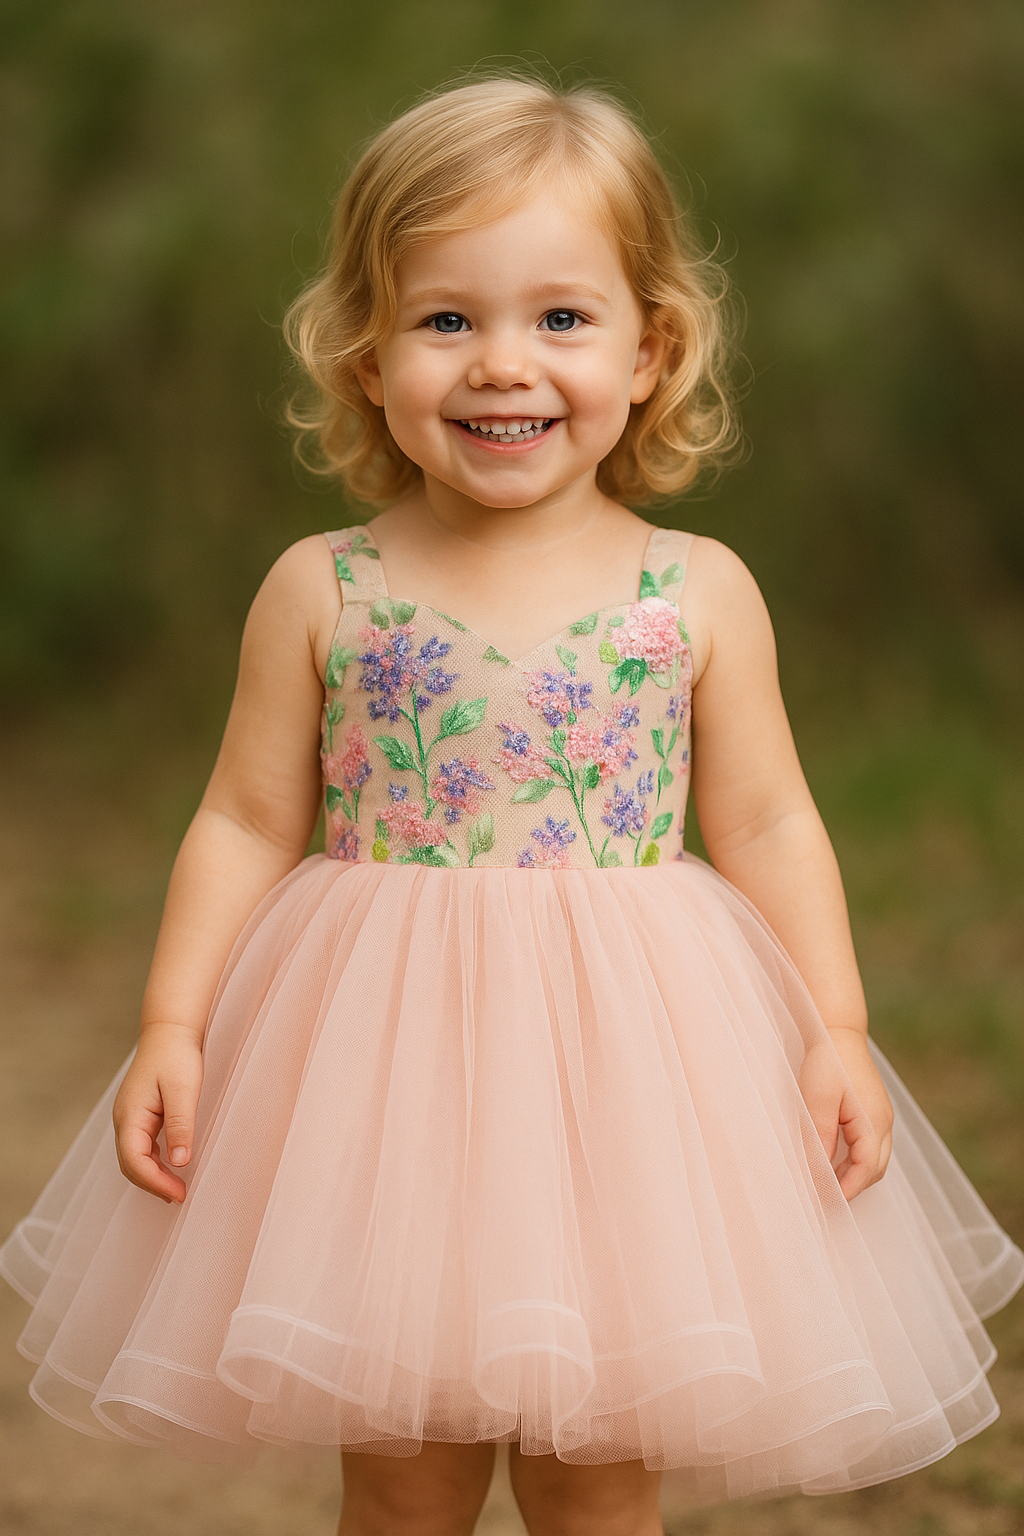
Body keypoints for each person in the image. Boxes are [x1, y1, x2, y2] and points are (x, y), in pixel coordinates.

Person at [1, 74, 1021, 1536]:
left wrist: (837, 1030)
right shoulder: (323, 587)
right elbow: (241, 818)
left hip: (630, 1081)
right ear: (364, 354)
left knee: (598, 1467)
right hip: (378, 1070)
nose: (502, 365)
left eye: (560, 317)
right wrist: (173, 1019)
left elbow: (774, 822)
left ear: (650, 347)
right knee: (402, 1468)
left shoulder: (696, 592)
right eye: (445, 320)